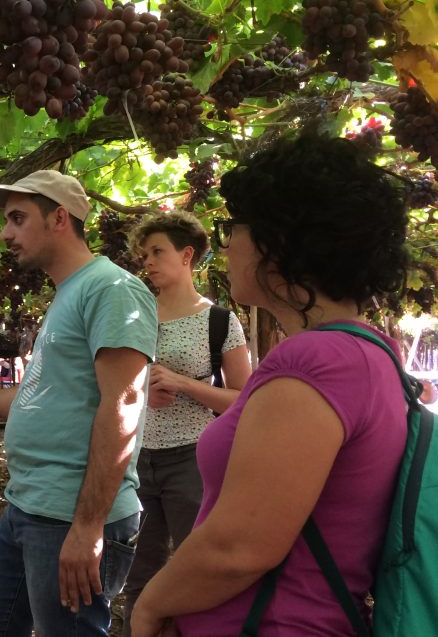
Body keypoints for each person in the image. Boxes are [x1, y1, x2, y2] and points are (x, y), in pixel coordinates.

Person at [130, 134, 410, 637]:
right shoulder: (369, 350)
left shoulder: (315, 362)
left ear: (278, 240)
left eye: (231, 228)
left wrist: (149, 607)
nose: (225, 246)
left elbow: (238, 548)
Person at [0, 169, 158, 636]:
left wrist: (88, 527)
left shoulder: (111, 290)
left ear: (59, 218)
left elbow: (124, 404)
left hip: (69, 516)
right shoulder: (69, 293)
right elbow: (40, 399)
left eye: (17, 218)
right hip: (28, 506)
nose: (5, 234)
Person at [120, 210, 252, 635]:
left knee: (200, 570)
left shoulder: (219, 320)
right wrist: (142, 388)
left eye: (157, 251)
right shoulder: (133, 315)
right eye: (144, 254)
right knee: (137, 574)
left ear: (187, 255)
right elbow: (110, 382)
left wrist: (184, 384)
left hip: (194, 460)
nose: (148, 261)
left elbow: (244, 400)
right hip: (135, 458)